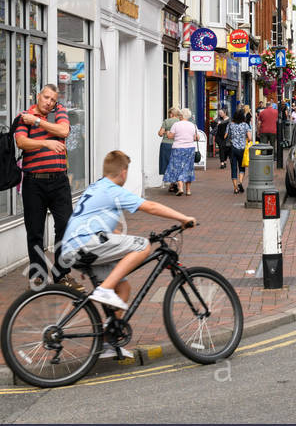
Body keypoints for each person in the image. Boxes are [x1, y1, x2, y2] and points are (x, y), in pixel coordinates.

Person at [57, 150, 197, 358]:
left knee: (122, 287)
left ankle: (108, 343)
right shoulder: (113, 190)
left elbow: (106, 228)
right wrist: (183, 218)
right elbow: (150, 206)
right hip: (86, 244)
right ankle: (103, 290)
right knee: (142, 246)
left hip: (78, 247)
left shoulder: (96, 187)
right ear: (123, 172)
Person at [15, 84, 76, 287]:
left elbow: (64, 130)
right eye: (46, 97)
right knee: (35, 231)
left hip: (59, 181)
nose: (49, 102)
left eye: (52, 99)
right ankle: (38, 275)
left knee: (65, 226)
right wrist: (46, 143)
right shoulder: (25, 116)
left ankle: (62, 273)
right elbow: (22, 142)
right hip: (34, 182)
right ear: (38, 96)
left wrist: (38, 122)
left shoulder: (58, 111)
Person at [161, 109, 205, 196]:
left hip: (178, 148)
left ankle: (180, 188)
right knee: (188, 168)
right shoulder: (193, 125)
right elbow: (197, 138)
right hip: (190, 149)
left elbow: (170, 136)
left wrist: (168, 132)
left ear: (181, 116)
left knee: (177, 167)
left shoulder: (176, 125)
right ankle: (188, 190)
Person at [227, 108, 253, 194]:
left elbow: (227, 136)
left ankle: (235, 188)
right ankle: (240, 182)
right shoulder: (245, 125)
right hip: (243, 149)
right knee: (242, 167)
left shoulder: (230, 125)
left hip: (233, 148)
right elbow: (250, 138)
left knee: (233, 168)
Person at [157, 107, 180, 194]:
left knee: (167, 164)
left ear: (171, 114)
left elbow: (159, 133)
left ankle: (171, 184)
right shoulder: (179, 122)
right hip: (177, 145)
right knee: (175, 164)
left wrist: (166, 132)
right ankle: (175, 183)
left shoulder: (166, 121)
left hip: (166, 144)